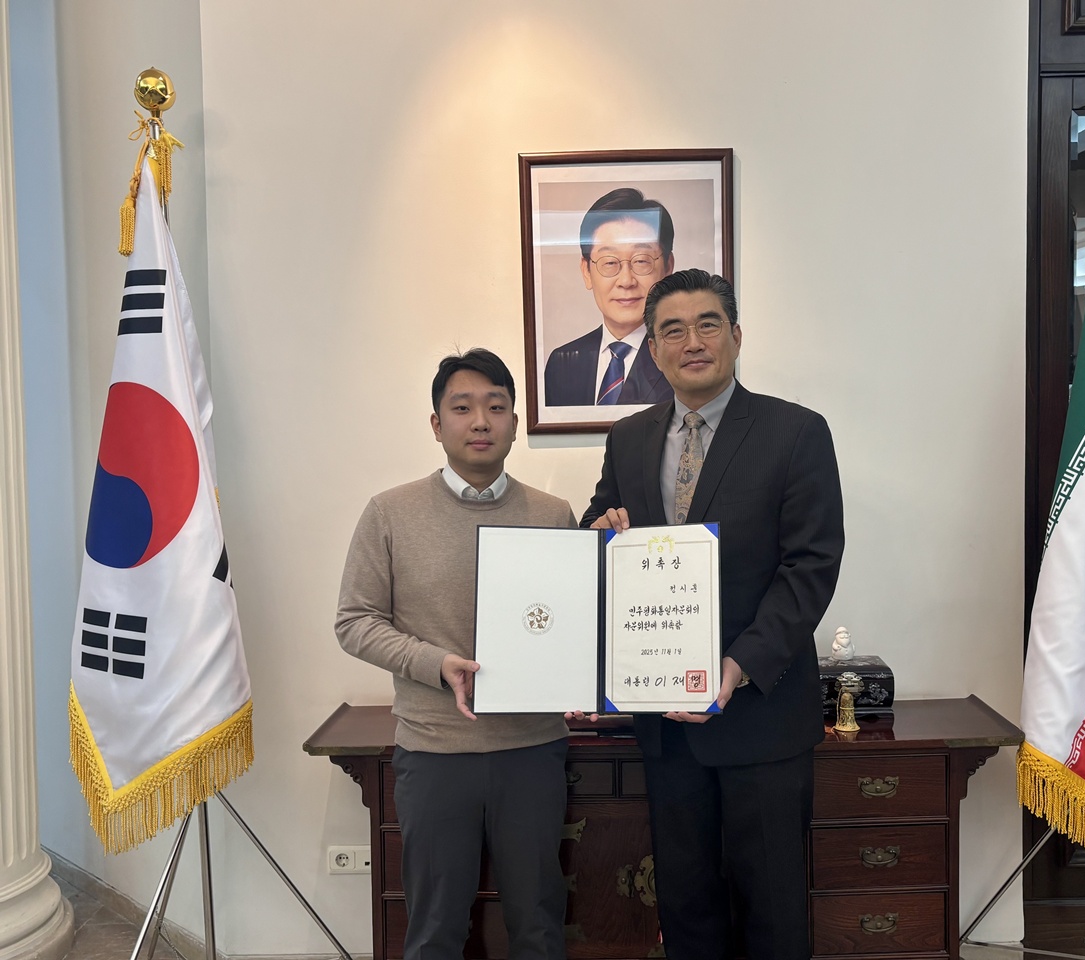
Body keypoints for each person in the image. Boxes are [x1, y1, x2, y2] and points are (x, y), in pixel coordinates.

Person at [581, 269, 844, 960]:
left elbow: (810, 567)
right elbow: (603, 531)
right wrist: (599, 531)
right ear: (653, 349)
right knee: (687, 907)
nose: (691, 342)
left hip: (761, 717)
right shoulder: (629, 439)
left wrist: (738, 666)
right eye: (672, 330)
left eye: (707, 324)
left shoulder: (796, 432)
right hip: (666, 725)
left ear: (736, 335)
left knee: (773, 912)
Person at [336, 348, 575, 960]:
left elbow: (569, 623)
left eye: (496, 407)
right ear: (436, 424)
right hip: (435, 751)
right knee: (435, 930)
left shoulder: (554, 515)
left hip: (532, 750)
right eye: (462, 408)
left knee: (539, 924)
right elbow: (355, 622)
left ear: (515, 423)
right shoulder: (389, 512)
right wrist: (434, 664)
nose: (481, 421)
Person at [543, 187, 676, 407]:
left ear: (668, 268)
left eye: (641, 261)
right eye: (610, 262)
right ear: (586, 271)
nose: (626, 281)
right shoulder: (562, 363)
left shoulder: (682, 360)